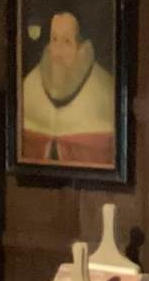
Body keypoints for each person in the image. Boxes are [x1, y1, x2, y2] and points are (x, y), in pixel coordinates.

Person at [19, 9, 117, 168]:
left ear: (82, 49)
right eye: (54, 39)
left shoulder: (107, 93)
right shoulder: (28, 86)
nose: (57, 53)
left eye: (66, 42)